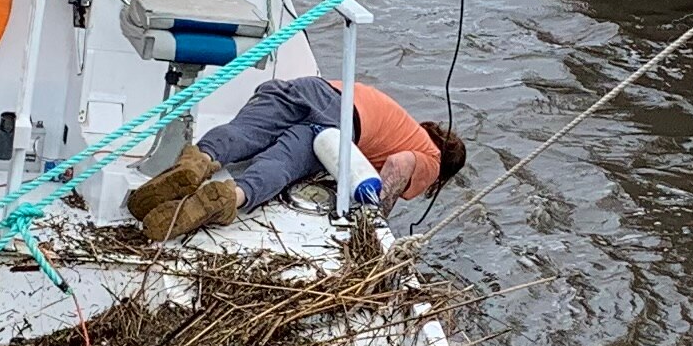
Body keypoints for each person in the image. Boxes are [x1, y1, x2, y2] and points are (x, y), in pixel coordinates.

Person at [127, 76, 461, 241]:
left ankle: (197, 161)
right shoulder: (430, 159)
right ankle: (228, 197)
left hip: (314, 88)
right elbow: (399, 166)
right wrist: (375, 219)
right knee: (282, 164)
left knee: (246, 131)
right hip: (339, 125)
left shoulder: (404, 124)